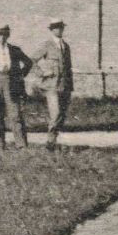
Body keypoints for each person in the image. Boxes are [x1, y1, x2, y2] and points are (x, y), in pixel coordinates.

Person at [0, 25, 32, 147]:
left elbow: (28, 62)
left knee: (15, 114)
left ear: (8, 35)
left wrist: (20, 75)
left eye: (4, 34)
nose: (2, 37)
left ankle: (21, 144)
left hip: (12, 82)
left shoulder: (15, 50)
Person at [34, 20, 74, 149]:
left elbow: (69, 67)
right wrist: (42, 73)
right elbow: (31, 60)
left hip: (65, 85)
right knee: (55, 113)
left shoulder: (66, 46)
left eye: (61, 28)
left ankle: (54, 140)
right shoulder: (47, 45)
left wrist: (70, 85)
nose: (59, 30)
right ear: (51, 30)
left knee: (61, 115)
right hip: (51, 85)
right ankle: (50, 142)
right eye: (56, 28)